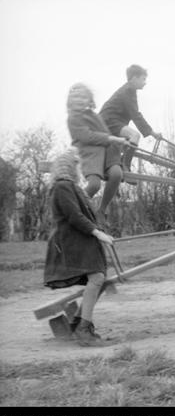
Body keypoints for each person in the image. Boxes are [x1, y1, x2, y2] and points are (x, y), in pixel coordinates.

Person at [43, 148, 115, 346]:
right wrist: (98, 234)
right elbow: (74, 216)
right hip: (71, 242)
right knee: (98, 277)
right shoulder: (63, 187)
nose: (81, 170)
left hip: (79, 241)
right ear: (69, 167)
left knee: (98, 277)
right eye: (78, 165)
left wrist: (100, 231)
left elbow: (85, 215)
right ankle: (83, 328)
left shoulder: (71, 187)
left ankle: (80, 323)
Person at [66, 82, 129, 223]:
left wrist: (119, 142)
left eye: (83, 97)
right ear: (70, 101)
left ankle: (102, 209)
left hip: (107, 150)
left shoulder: (94, 115)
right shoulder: (73, 119)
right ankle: (73, 208)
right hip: (90, 152)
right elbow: (86, 137)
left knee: (116, 174)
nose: (79, 100)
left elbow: (105, 132)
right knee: (94, 184)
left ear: (89, 100)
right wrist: (111, 138)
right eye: (76, 97)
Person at [99, 64, 162, 175]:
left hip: (110, 121)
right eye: (143, 79)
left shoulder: (129, 90)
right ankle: (125, 165)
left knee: (126, 143)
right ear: (134, 78)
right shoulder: (128, 91)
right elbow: (135, 115)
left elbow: (134, 114)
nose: (145, 82)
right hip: (109, 121)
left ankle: (118, 166)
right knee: (134, 136)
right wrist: (153, 133)